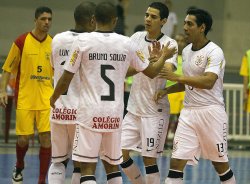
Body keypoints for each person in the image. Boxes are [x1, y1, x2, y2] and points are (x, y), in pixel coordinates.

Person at [49, 2, 176, 184]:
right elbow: (151, 72)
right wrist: (162, 56)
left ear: (94, 19)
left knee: (86, 168)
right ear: (115, 20)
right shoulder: (127, 43)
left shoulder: (82, 42)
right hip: (115, 115)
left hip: (89, 113)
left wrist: (54, 96)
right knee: (113, 167)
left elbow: (66, 76)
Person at [155, 8, 236, 184]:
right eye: (184, 23)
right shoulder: (186, 51)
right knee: (176, 162)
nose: (184, 27)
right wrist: (167, 90)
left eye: (189, 24)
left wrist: (176, 77)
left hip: (211, 113)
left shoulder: (215, 51)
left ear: (202, 27)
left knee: (220, 165)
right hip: (189, 113)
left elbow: (208, 82)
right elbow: (187, 82)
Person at [120, 2, 178, 184]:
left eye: (153, 17)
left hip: (155, 111)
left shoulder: (170, 43)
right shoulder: (136, 37)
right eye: (146, 15)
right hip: (134, 108)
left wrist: (158, 59)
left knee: (149, 159)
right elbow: (125, 69)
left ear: (163, 21)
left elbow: (166, 71)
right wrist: (146, 63)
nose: (148, 19)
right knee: (118, 154)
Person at [0, 6, 53, 184]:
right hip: (24, 98)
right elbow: (7, 69)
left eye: (49, 19)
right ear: (35, 20)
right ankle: (19, 165)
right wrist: (2, 90)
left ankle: (41, 179)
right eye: (43, 19)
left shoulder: (53, 43)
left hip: (46, 99)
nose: (47, 22)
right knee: (23, 139)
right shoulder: (21, 41)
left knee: (46, 138)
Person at [47, 2, 96, 184]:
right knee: (82, 164)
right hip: (81, 112)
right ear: (92, 20)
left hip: (59, 108)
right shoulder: (92, 42)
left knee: (58, 161)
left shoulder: (57, 39)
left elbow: (54, 68)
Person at [165, 33, 187, 149]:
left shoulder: (188, 57)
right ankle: (163, 142)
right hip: (171, 91)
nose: (179, 43)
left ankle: (178, 143)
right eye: (177, 40)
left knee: (181, 120)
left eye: (182, 40)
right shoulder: (168, 57)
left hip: (183, 91)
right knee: (168, 118)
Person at [124, 24, 145, 117]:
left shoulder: (145, 51)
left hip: (139, 88)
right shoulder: (131, 48)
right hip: (129, 87)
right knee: (126, 112)